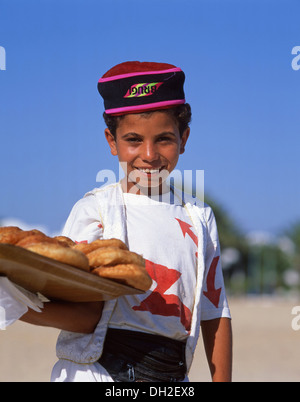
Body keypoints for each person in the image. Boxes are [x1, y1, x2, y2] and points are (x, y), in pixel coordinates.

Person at [20, 61, 232, 382]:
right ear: (111, 141)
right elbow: (85, 316)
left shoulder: (199, 217)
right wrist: (14, 304)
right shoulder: (97, 210)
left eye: (164, 139)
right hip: (96, 373)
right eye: (133, 139)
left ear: (184, 138)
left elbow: (215, 314)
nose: (149, 154)